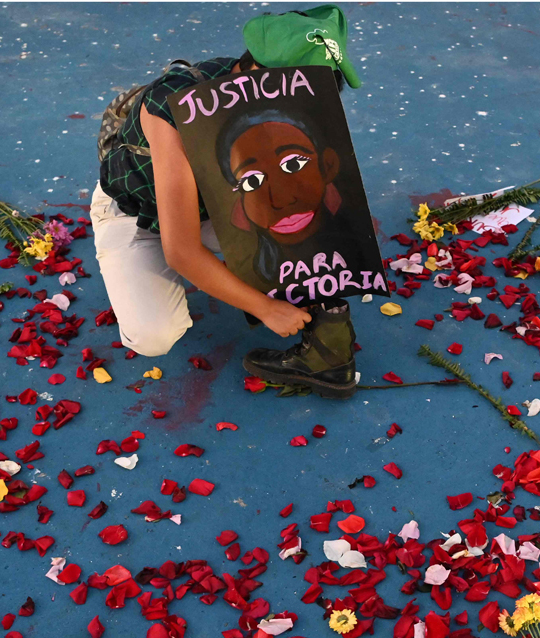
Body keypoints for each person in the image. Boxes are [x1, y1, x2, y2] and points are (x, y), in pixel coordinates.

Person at [93, 5, 364, 399]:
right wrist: (266, 306)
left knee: (310, 217)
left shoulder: (274, 99)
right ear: (256, 75)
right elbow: (182, 251)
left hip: (221, 203)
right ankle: (215, 276)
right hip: (137, 210)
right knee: (154, 336)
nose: (308, 107)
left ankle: (325, 352)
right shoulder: (173, 106)